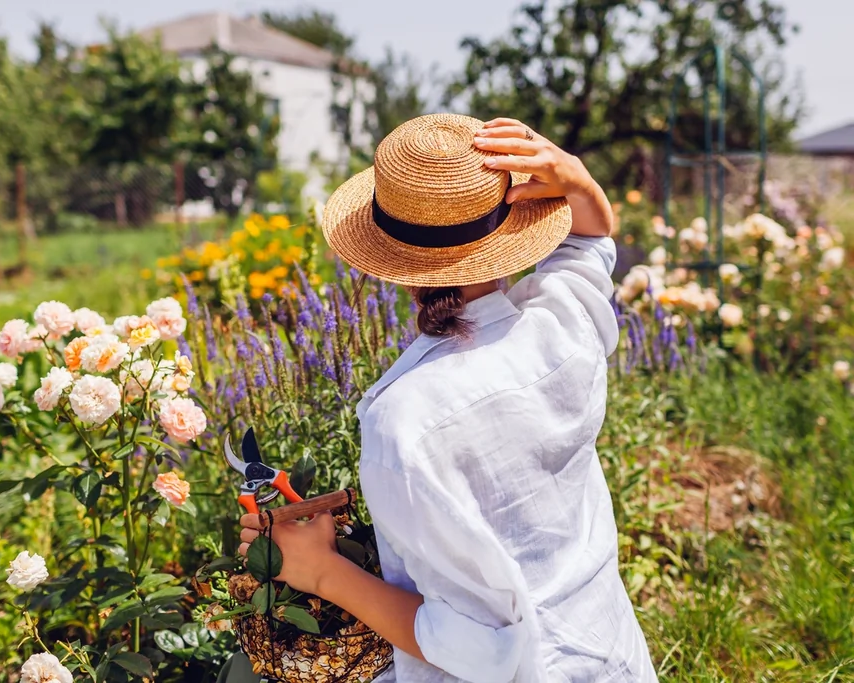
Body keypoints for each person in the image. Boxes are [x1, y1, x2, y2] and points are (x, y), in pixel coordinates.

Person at [238, 113, 658, 682]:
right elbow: (590, 243)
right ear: (509, 233)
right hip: (610, 658)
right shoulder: (562, 331)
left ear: (393, 266)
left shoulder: (403, 422)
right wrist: (578, 180)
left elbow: (479, 646)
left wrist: (320, 571)